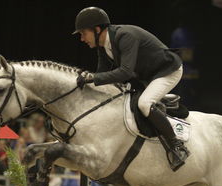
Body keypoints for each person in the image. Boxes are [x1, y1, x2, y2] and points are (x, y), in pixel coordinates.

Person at [73, 7, 189, 171]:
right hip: (149, 76)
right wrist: (86, 83)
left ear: (97, 29)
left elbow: (125, 72)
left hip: (168, 71)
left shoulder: (124, 36)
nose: (82, 38)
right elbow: (102, 75)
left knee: (144, 104)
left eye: (83, 33)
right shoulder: (103, 46)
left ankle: (177, 146)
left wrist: (92, 78)